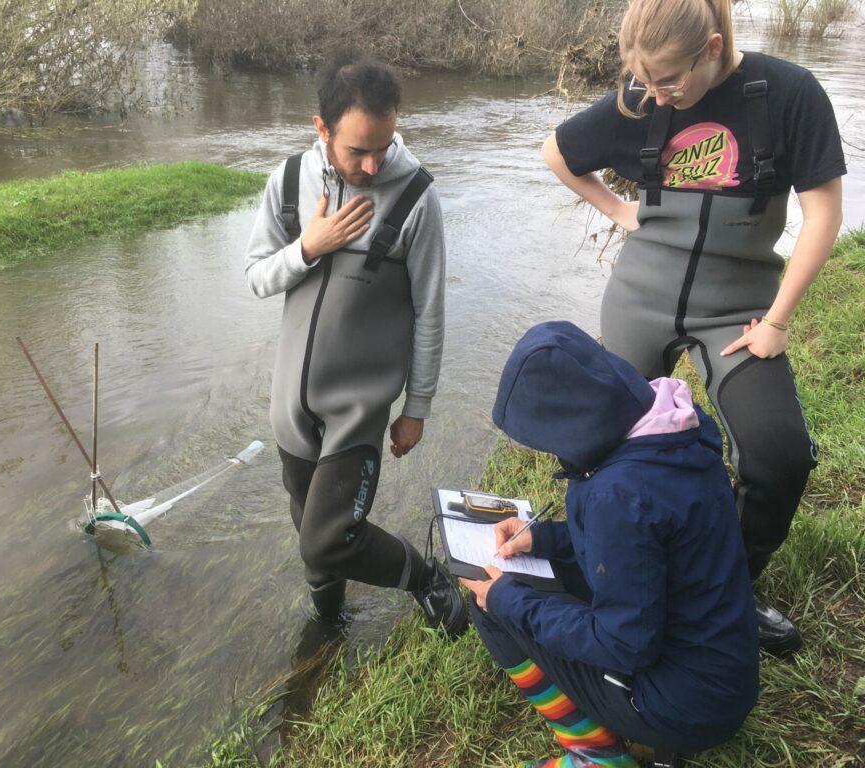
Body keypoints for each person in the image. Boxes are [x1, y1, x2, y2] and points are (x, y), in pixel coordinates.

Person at [540, 0, 845, 656]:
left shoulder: (788, 94)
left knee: (778, 456)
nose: (654, 97)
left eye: (668, 82)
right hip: (641, 296)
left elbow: (823, 216)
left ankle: (727, 587)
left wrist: (778, 321)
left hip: (738, 309)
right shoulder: (638, 99)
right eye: (644, 82)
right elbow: (556, 152)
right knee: (591, 449)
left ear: (711, 46)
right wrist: (619, 209)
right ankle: (603, 573)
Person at [462, 320, 759, 767]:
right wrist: (538, 537)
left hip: (680, 706)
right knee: (511, 588)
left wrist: (511, 601)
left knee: (491, 603)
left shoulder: (617, 494)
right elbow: (641, 548)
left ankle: (596, 754)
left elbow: (624, 645)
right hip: (724, 675)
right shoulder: (671, 427)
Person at [245, 51, 467, 637]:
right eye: (356, 151)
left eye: (384, 145)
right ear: (321, 128)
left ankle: (427, 580)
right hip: (289, 409)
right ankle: (328, 621)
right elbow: (256, 276)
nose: (373, 163)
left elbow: (430, 312)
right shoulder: (289, 181)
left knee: (327, 538)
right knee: (311, 536)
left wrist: (416, 408)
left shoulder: (416, 196)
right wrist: (307, 248)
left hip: (356, 413)